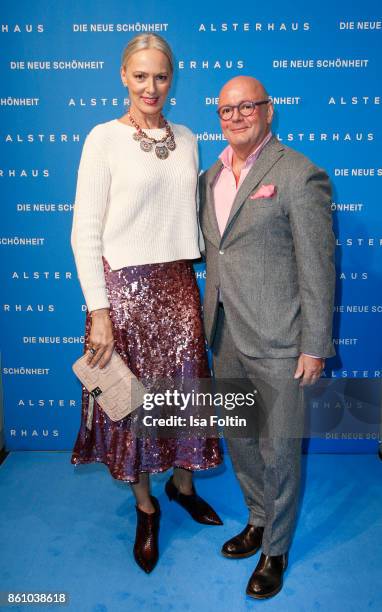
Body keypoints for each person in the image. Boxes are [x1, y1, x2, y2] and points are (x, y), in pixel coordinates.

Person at [70, 33, 222, 574]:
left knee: (185, 393)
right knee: (132, 405)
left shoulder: (185, 137)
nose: (151, 86)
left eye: (161, 76)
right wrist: (100, 310)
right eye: (140, 76)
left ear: (172, 79)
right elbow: (84, 230)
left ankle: (182, 485)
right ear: (123, 76)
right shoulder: (102, 139)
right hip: (124, 294)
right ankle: (146, 504)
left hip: (179, 285)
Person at [199, 76, 335, 599]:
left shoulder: (300, 175)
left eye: (246, 107)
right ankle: (257, 517)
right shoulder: (208, 177)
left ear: (268, 111)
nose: (235, 117)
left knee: (279, 451)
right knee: (240, 439)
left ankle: (275, 549)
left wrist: (314, 344)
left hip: (280, 339)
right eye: (225, 110)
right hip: (225, 332)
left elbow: (319, 268)